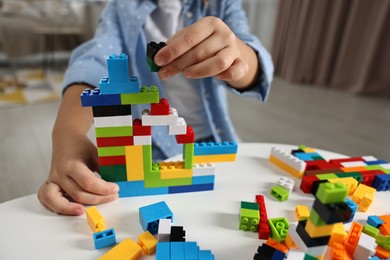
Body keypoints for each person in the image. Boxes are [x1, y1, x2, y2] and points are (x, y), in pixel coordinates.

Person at [37, 0, 274, 216]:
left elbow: (252, 57)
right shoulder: (121, 8)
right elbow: (96, 60)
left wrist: (237, 54)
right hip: (155, 149)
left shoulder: (221, 4)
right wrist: (67, 131)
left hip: (214, 137)